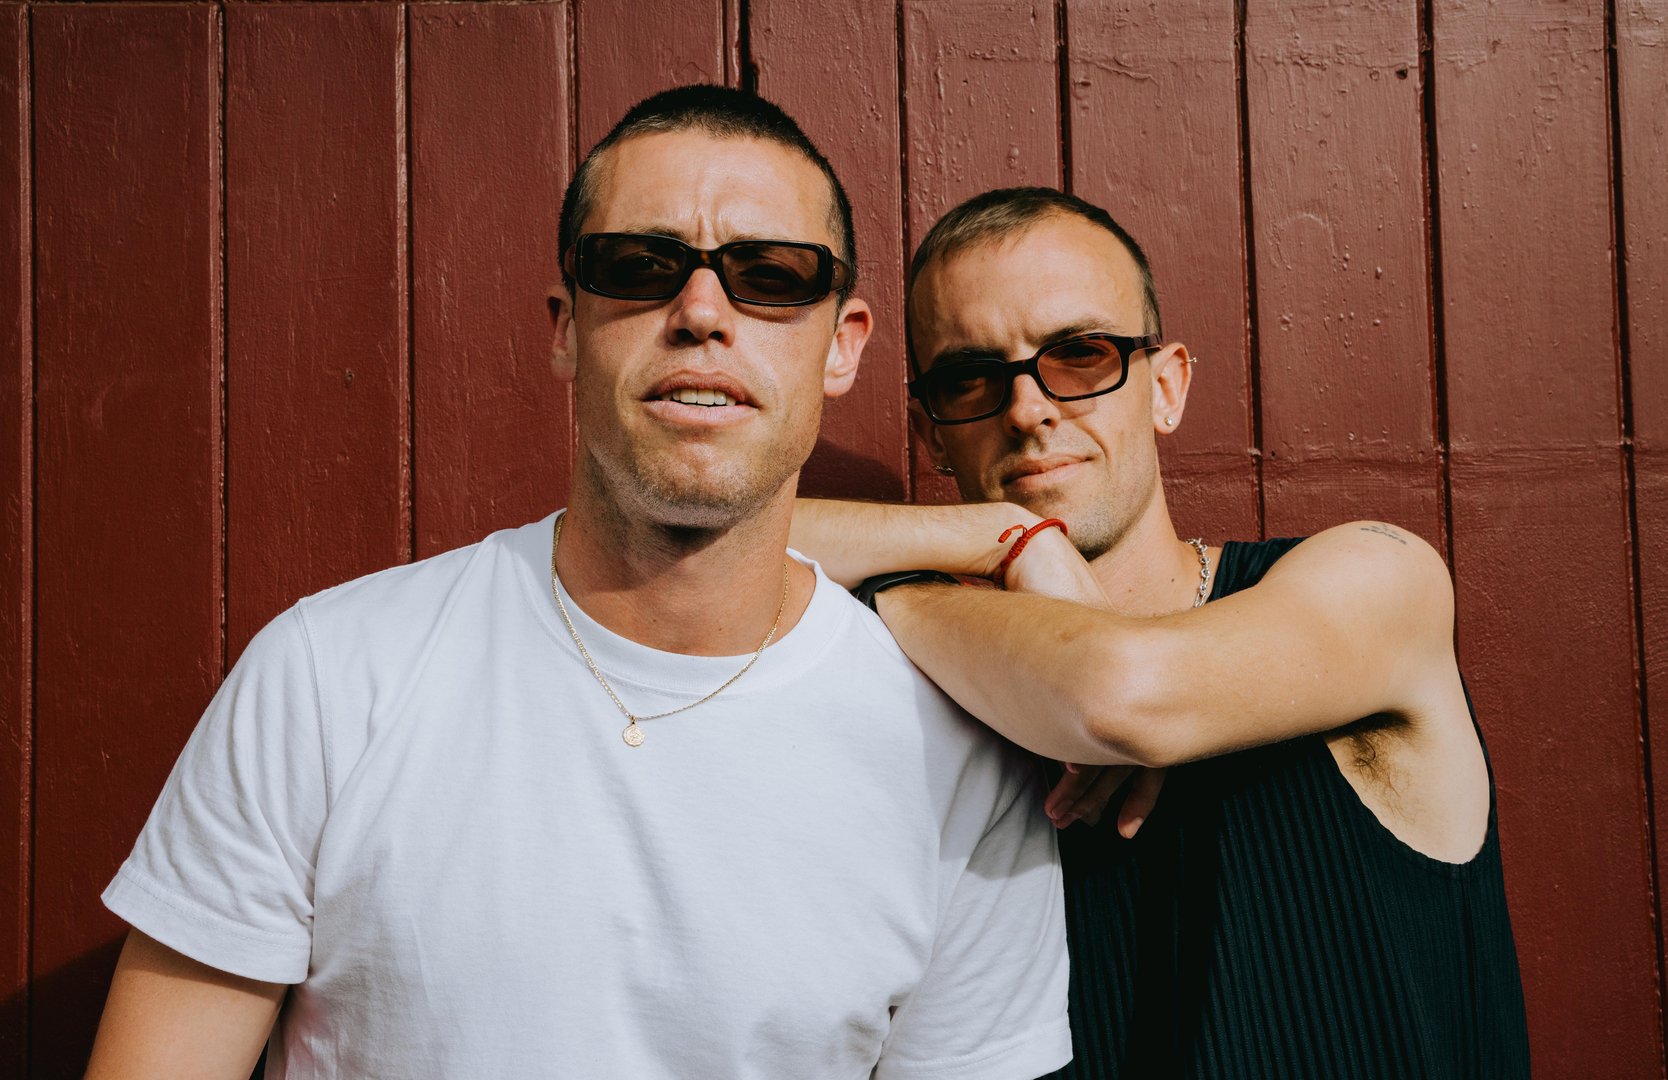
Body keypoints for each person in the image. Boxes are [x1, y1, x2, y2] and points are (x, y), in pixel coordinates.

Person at [85, 90, 1071, 1080]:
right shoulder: (330, 676)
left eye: (771, 276)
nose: (701, 313)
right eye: (638, 267)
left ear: (843, 344)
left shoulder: (948, 757)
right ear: (566, 328)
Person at [791, 187, 1531, 1078]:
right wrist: (998, 536)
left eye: (1080, 355)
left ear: (1167, 386)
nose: (1027, 409)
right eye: (970, 378)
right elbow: (701, 549)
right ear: (930, 434)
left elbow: (1122, 697)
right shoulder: (931, 695)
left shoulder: (1380, 580)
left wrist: (897, 596)